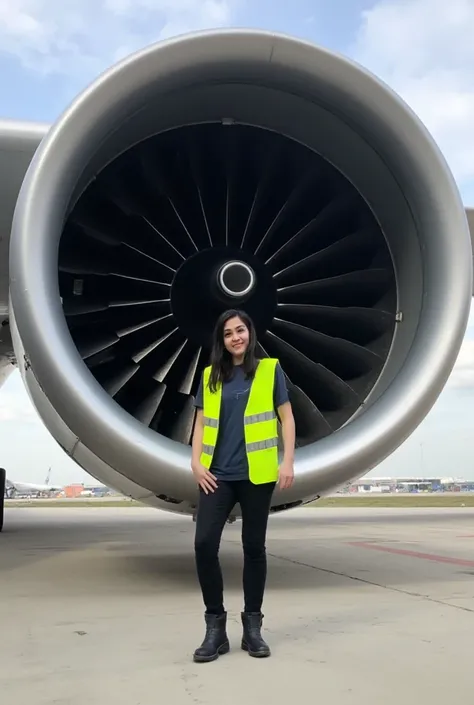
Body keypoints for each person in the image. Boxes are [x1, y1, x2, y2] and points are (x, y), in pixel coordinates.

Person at [190, 308, 295, 663]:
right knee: (204, 544)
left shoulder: (269, 370)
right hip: (216, 475)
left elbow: (286, 417)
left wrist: (288, 461)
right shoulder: (209, 376)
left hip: (256, 474)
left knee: (254, 548)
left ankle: (252, 629)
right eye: (228, 333)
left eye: (241, 330)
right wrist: (195, 463)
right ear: (221, 340)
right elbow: (201, 422)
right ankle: (215, 628)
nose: (236, 337)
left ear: (250, 333)